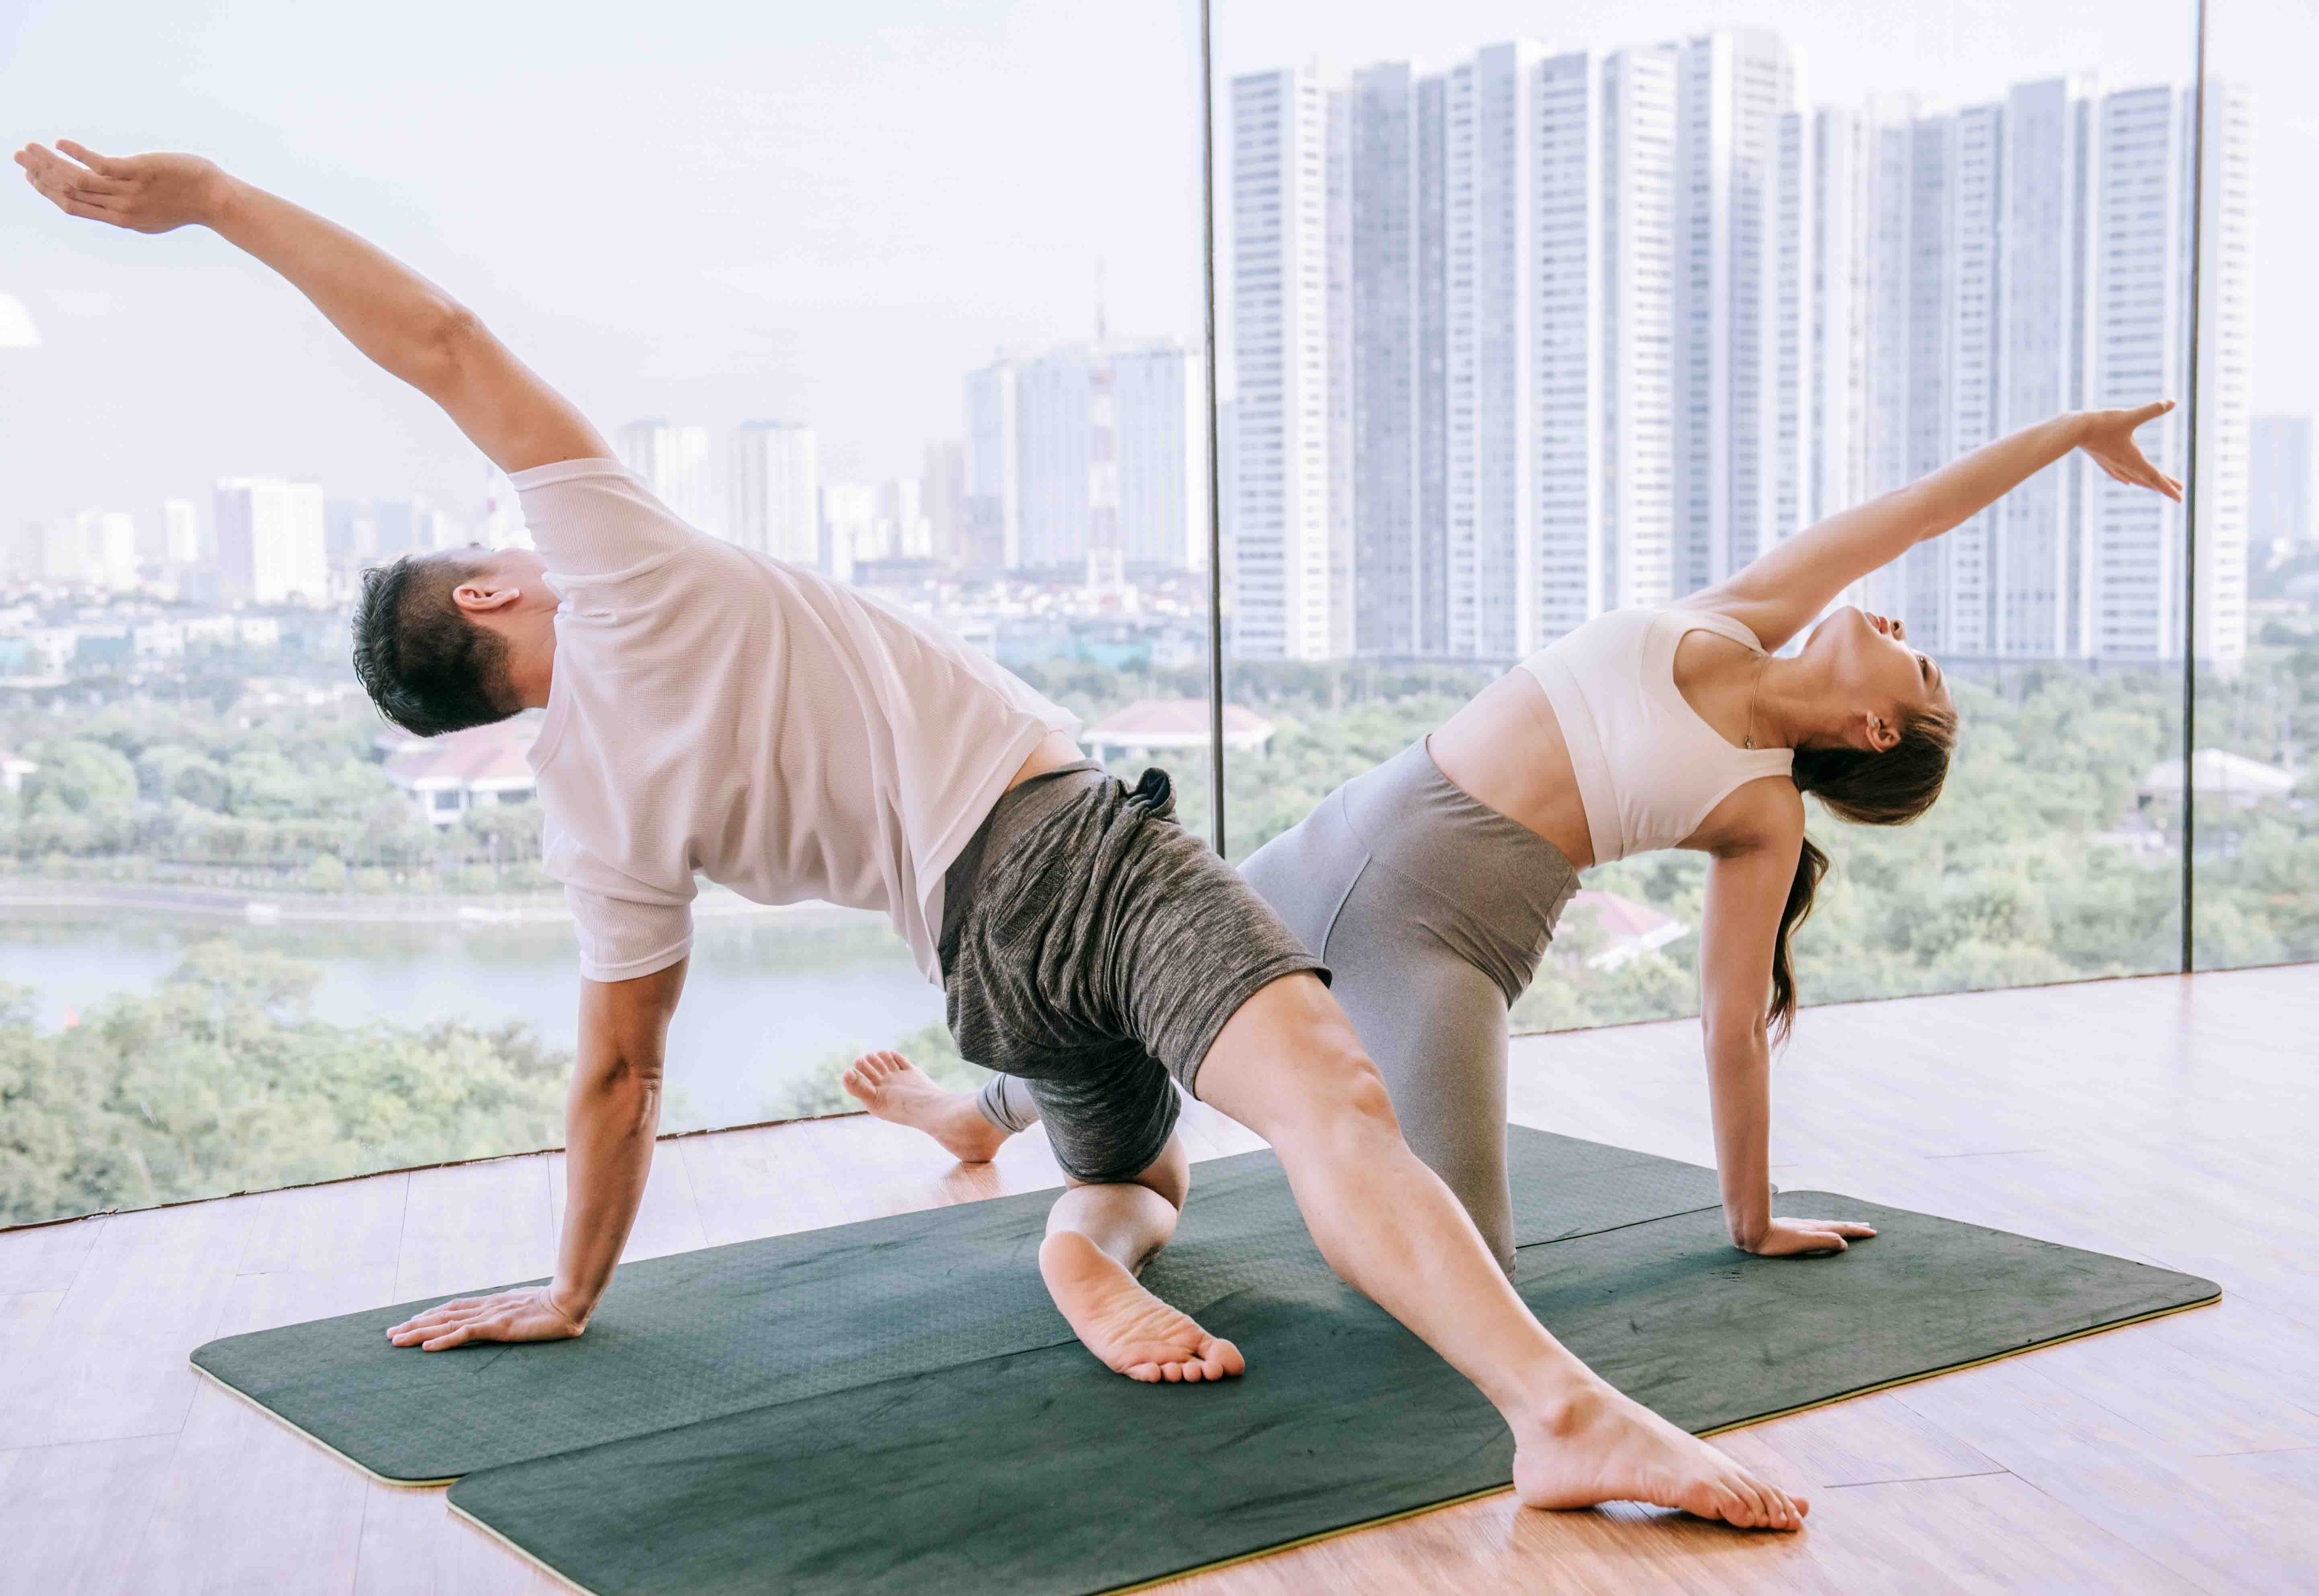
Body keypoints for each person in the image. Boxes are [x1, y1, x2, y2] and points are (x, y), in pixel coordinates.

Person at [20, 137, 1816, 1530]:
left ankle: (1077, 1247)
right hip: (1073, 859)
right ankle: (1558, 1416)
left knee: (1143, 1179)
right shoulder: (619, 573)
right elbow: (442, 339)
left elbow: (619, 1077)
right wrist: (213, 199)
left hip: (988, 981)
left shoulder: (589, 811)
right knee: (1331, 1099)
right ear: (497, 581)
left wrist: (570, 1292)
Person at [916, 401, 2181, 1273]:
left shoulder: (1764, 812)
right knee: (1136, 998)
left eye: (1922, 665)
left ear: (1868, 724)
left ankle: (1125, 1217)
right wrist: (2072, 437)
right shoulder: (1741, 617)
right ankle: (983, 1114)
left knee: (1471, 1284)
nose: (1905, 624)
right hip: (1347, 826)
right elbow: (1916, 508)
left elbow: (1730, 1025)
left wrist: (1751, 1220)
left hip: (1445, 954)